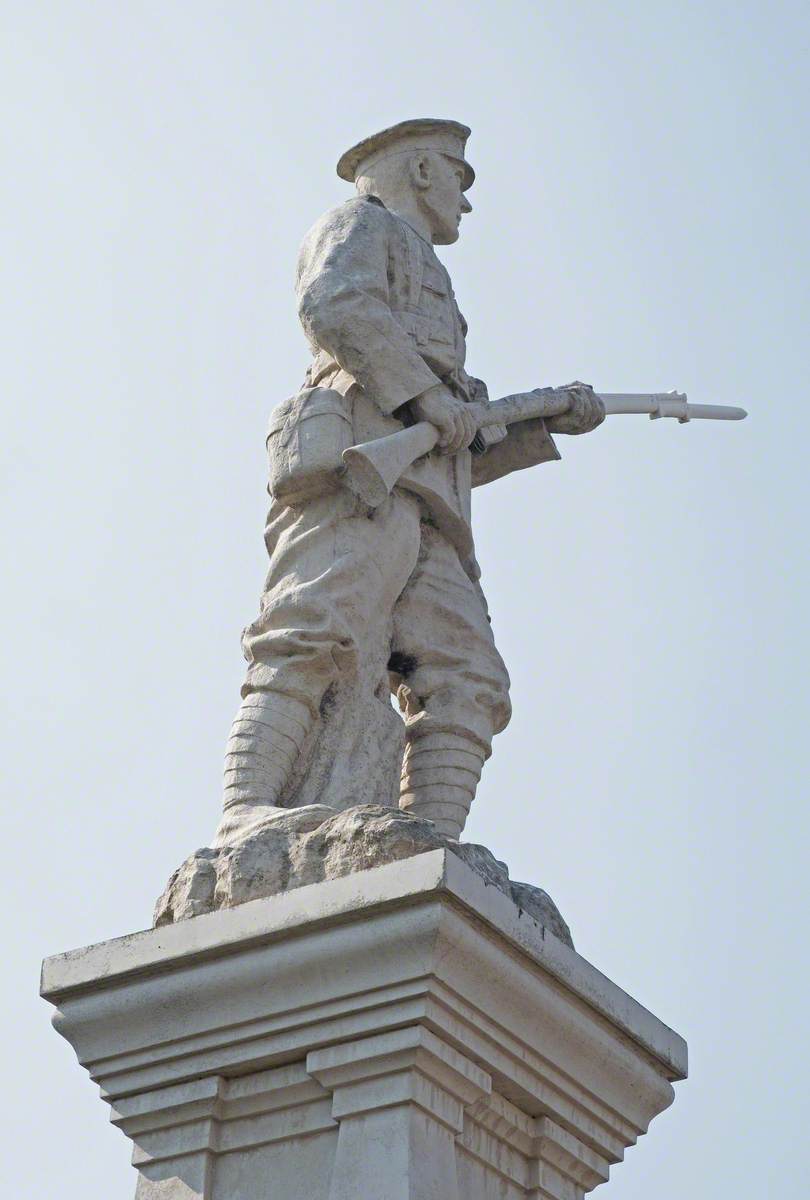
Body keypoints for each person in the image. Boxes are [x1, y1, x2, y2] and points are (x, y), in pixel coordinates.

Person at [217, 119, 604, 846]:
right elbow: (334, 304)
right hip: (359, 468)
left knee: (468, 676)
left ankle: (428, 843)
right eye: (461, 175)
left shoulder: (433, 274)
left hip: (431, 502)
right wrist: (428, 401)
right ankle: (244, 810)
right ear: (424, 169)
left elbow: (457, 440)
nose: (466, 198)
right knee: (310, 629)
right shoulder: (360, 226)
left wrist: (541, 424)